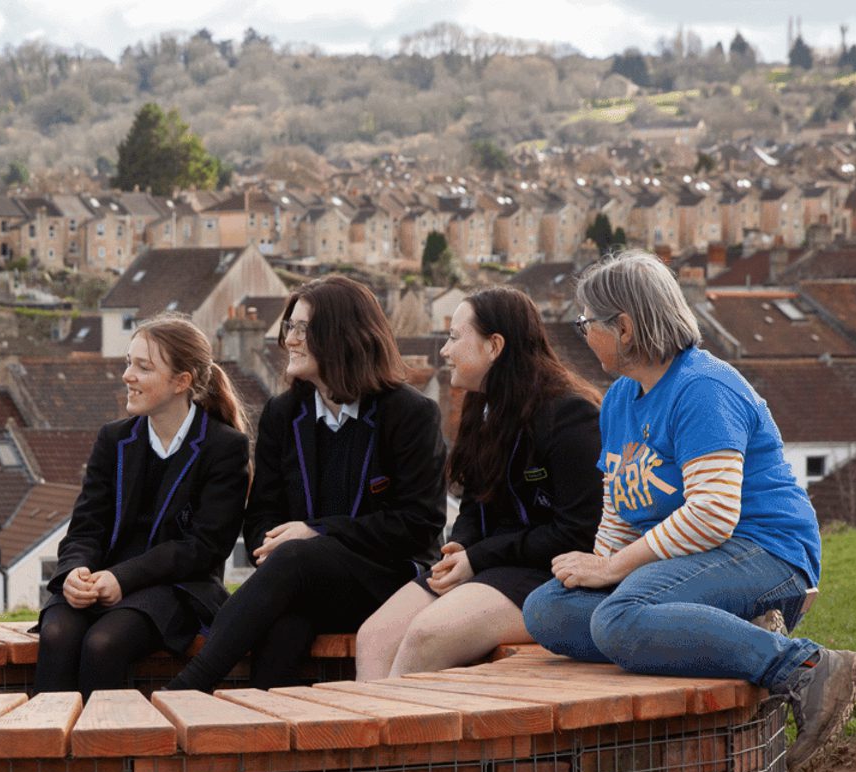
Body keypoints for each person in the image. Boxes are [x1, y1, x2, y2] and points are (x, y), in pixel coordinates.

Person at [520, 249, 856, 772]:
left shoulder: (703, 388)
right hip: (692, 559)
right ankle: (723, 627)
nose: (583, 332)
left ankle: (806, 666)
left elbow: (712, 514)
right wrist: (599, 567)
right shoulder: (619, 399)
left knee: (617, 620)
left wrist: (615, 574)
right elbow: (620, 504)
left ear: (626, 327)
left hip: (764, 551)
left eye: (588, 321)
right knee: (548, 610)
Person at [166, 275, 446, 693]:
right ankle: (263, 747)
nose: (289, 340)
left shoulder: (409, 413)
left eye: (301, 329)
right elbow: (262, 514)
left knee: (297, 557)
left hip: (386, 583)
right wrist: (274, 543)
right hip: (303, 584)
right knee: (284, 632)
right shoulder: (284, 413)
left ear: (340, 335)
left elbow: (420, 524)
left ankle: (188, 688)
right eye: (288, 327)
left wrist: (316, 533)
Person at [355, 287, 604, 679]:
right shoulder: (482, 406)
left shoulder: (569, 415)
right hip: (488, 565)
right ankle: (370, 737)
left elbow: (576, 533)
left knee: (426, 635)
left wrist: (478, 558)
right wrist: (462, 547)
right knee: (374, 636)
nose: (445, 350)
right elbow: (474, 501)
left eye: (455, 337)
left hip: (547, 575)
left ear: (494, 346)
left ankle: (398, 739)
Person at [34, 316, 250, 694]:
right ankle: (53, 747)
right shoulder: (114, 439)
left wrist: (124, 578)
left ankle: (104, 750)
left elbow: (203, 548)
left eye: (143, 367)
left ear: (181, 381)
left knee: (105, 642)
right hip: (101, 578)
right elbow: (86, 526)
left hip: (176, 588)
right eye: (128, 363)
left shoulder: (223, 447)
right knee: (56, 633)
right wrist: (74, 571)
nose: (127, 376)